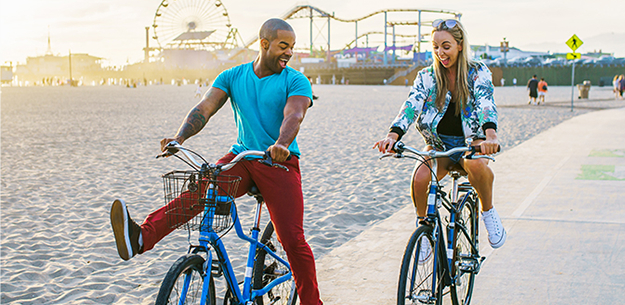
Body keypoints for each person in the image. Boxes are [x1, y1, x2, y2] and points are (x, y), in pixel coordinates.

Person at [110, 18, 323, 305]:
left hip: (279, 162)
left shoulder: (296, 80)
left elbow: (294, 115)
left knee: (293, 242)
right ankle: (141, 238)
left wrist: (281, 145)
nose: (289, 52)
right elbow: (204, 109)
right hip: (243, 158)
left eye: (292, 47)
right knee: (201, 192)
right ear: (263, 44)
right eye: (283, 46)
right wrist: (179, 138)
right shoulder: (233, 76)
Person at [373, 19, 506, 251]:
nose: (440, 52)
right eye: (435, 47)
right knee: (420, 177)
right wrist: (393, 135)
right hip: (438, 145)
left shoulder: (478, 72)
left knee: (474, 165)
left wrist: (490, 136)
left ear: (460, 45)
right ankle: (424, 228)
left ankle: (489, 212)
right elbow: (411, 105)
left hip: (471, 143)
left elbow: (486, 102)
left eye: (446, 46)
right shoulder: (427, 76)